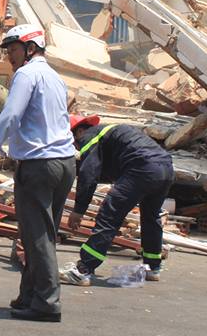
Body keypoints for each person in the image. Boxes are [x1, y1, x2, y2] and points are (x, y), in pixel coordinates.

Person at [0, 24, 76, 323]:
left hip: (39, 165)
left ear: (30, 49)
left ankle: (47, 303)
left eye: (13, 50)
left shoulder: (27, 74)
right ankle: (29, 295)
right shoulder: (54, 77)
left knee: (37, 237)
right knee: (41, 234)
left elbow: (12, 114)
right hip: (64, 162)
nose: (9, 57)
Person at [59, 115, 175, 286]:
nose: (77, 146)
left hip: (142, 168)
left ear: (80, 131)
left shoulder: (89, 137)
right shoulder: (111, 133)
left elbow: (89, 175)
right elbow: (106, 170)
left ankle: (83, 270)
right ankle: (152, 268)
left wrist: (79, 210)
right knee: (151, 217)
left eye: (74, 141)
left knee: (109, 216)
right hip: (165, 168)